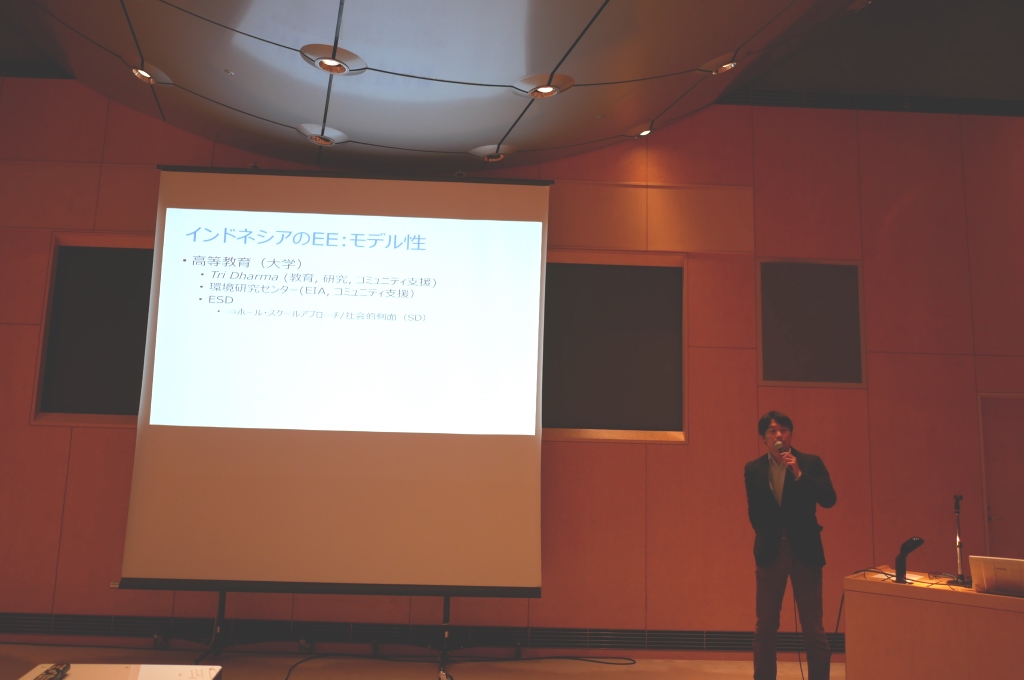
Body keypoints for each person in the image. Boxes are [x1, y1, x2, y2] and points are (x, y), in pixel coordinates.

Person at [744, 411, 836, 680]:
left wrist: (799, 474)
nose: (779, 435)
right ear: (763, 438)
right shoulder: (753, 469)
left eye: (783, 430)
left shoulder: (810, 463)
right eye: (772, 431)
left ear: (791, 435)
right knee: (765, 625)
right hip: (771, 551)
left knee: (813, 625)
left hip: (805, 550)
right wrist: (768, 535)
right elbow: (754, 512)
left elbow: (829, 499)